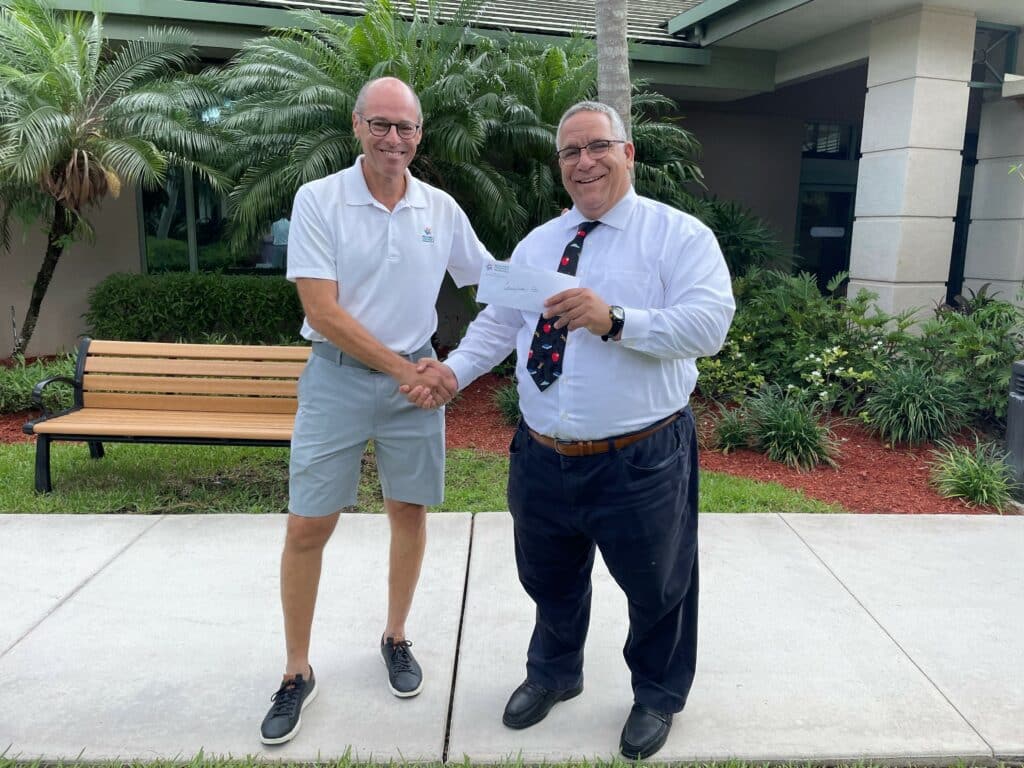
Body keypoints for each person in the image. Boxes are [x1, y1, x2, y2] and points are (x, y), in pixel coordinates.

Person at [407, 101, 735, 759]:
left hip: (640, 458)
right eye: (570, 152)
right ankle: (555, 673)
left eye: (597, 147)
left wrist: (615, 318)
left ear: (628, 152)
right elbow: (501, 325)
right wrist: (452, 373)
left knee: (658, 586)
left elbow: (710, 328)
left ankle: (656, 694)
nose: (584, 163)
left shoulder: (680, 237)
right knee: (548, 579)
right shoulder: (539, 243)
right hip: (542, 455)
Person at [259, 76, 493, 746]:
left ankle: (395, 636)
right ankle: (297, 670)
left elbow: (489, 279)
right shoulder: (320, 200)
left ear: (421, 134)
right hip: (340, 380)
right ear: (357, 126)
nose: (395, 139)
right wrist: (410, 374)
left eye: (407, 127)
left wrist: (560, 283)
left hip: (414, 382)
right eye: (382, 125)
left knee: (409, 512)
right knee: (309, 524)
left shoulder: (438, 208)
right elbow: (321, 311)